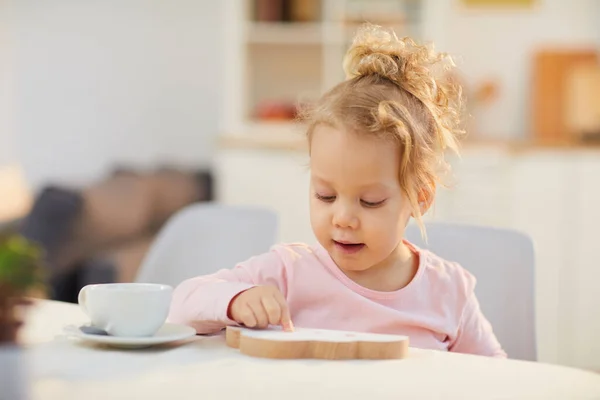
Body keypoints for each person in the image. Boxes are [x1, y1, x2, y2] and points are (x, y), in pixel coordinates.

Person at [168, 23, 506, 358]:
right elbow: (182, 305)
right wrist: (236, 300)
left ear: (420, 197)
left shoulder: (449, 291)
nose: (343, 218)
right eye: (325, 196)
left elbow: (500, 377)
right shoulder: (288, 272)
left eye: (369, 201)